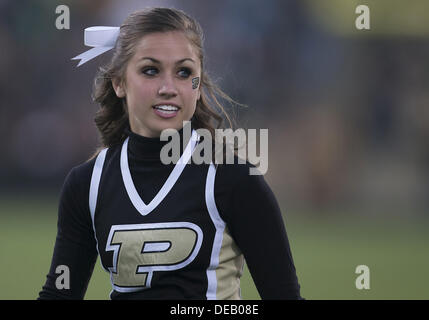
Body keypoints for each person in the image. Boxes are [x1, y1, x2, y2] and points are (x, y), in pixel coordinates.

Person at [38, 7, 302, 300]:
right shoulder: (87, 185)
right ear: (119, 83)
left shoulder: (233, 180)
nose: (168, 88)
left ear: (198, 86)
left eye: (184, 72)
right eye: (150, 70)